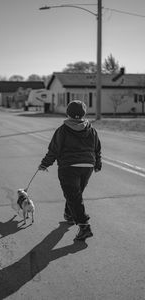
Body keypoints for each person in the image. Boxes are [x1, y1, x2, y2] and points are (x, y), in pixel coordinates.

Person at [38, 100, 102, 241]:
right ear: (84, 113)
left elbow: (54, 150)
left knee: (73, 195)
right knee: (75, 194)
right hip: (87, 167)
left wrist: (44, 164)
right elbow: (97, 149)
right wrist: (97, 164)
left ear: (68, 113)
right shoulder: (91, 129)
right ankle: (69, 215)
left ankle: (84, 226)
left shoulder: (62, 130)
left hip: (69, 167)